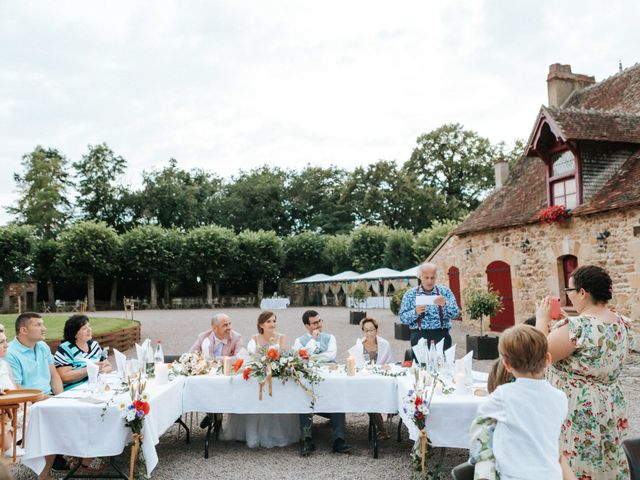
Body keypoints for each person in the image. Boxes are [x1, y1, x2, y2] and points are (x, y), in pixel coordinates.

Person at [535, 265, 633, 479]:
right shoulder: (621, 323)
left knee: (577, 464)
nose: (570, 298)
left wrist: (541, 321)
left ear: (582, 292)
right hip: (609, 404)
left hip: (578, 408)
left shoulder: (577, 327)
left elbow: (538, 356)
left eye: (570, 292)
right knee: (606, 461)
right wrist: (560, 329)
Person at [473, 325, 568, 479]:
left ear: (507, 365)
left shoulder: (504, 395)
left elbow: (482, 416)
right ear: (548, 359)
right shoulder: (560, 397)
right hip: (551, 474)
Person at [221, 311, 299, 448]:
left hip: (275, 375)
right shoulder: (255, 338)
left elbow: (285, 356)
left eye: (274, 321)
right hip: (259, 375)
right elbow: (252, 357)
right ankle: (252, 434)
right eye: (268, 321)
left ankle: (274, 433)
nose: (272, 324)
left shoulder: (281, 337)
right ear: (261, 324)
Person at [6, 312, 63, 480]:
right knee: (51, 423)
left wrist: (61, 398)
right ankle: (45, 475)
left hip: (48, 398)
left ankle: (76, 459)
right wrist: (45, 399)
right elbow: (17, 388)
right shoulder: (11, 352)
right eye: (38, 325)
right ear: (24, 330)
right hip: (26, 402)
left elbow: (54, 376)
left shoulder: (43, 346)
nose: (43, 328)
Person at [293, 310, 350, 456]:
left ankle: (338, 439)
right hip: (309, 376)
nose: (318, 325)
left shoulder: (330, 337)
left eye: (320, 321)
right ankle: (306, 439)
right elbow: (300, 358)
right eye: (314, 323)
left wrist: (311, 357)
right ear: (307, 325)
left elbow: (331, 354)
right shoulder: (299, 341)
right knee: (303, 399)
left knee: (337, 398)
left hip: (329, 374)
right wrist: (312, 340)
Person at [399, 261, 460, 352]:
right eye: (426, 277)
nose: (429, 281)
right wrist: (415, 312)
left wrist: (445, 305)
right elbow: (402, 318)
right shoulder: (410, 294)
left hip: (442, 335)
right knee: (421, 366)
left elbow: (456, 314)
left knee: (443, 365)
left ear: (436, 277)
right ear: (420, 276)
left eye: (432, 278)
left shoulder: (445, 292)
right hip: (419, 336)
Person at [351, 317, 394, 440]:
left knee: (375, 396)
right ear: (363, 331)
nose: (369, 333)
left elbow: (391, 363)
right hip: (365, 381)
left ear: (376, 330)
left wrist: (384, 368)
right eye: (366, 330)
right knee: (369, 398)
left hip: (381, 380)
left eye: (372, 330)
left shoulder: (385, 344)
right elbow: (355, 363)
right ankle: (382, 429)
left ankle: (382, 427)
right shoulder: (359, 345)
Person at [54, 315, 112, 391]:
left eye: (89, 326)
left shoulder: (93, 345)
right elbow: (64, 377)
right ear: (74, 334)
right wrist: (90, 369)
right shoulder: (66, 348)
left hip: (96, 387)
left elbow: (108, 366)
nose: (89, 330)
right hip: (75, 390)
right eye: (84, 328)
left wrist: (102, 371)